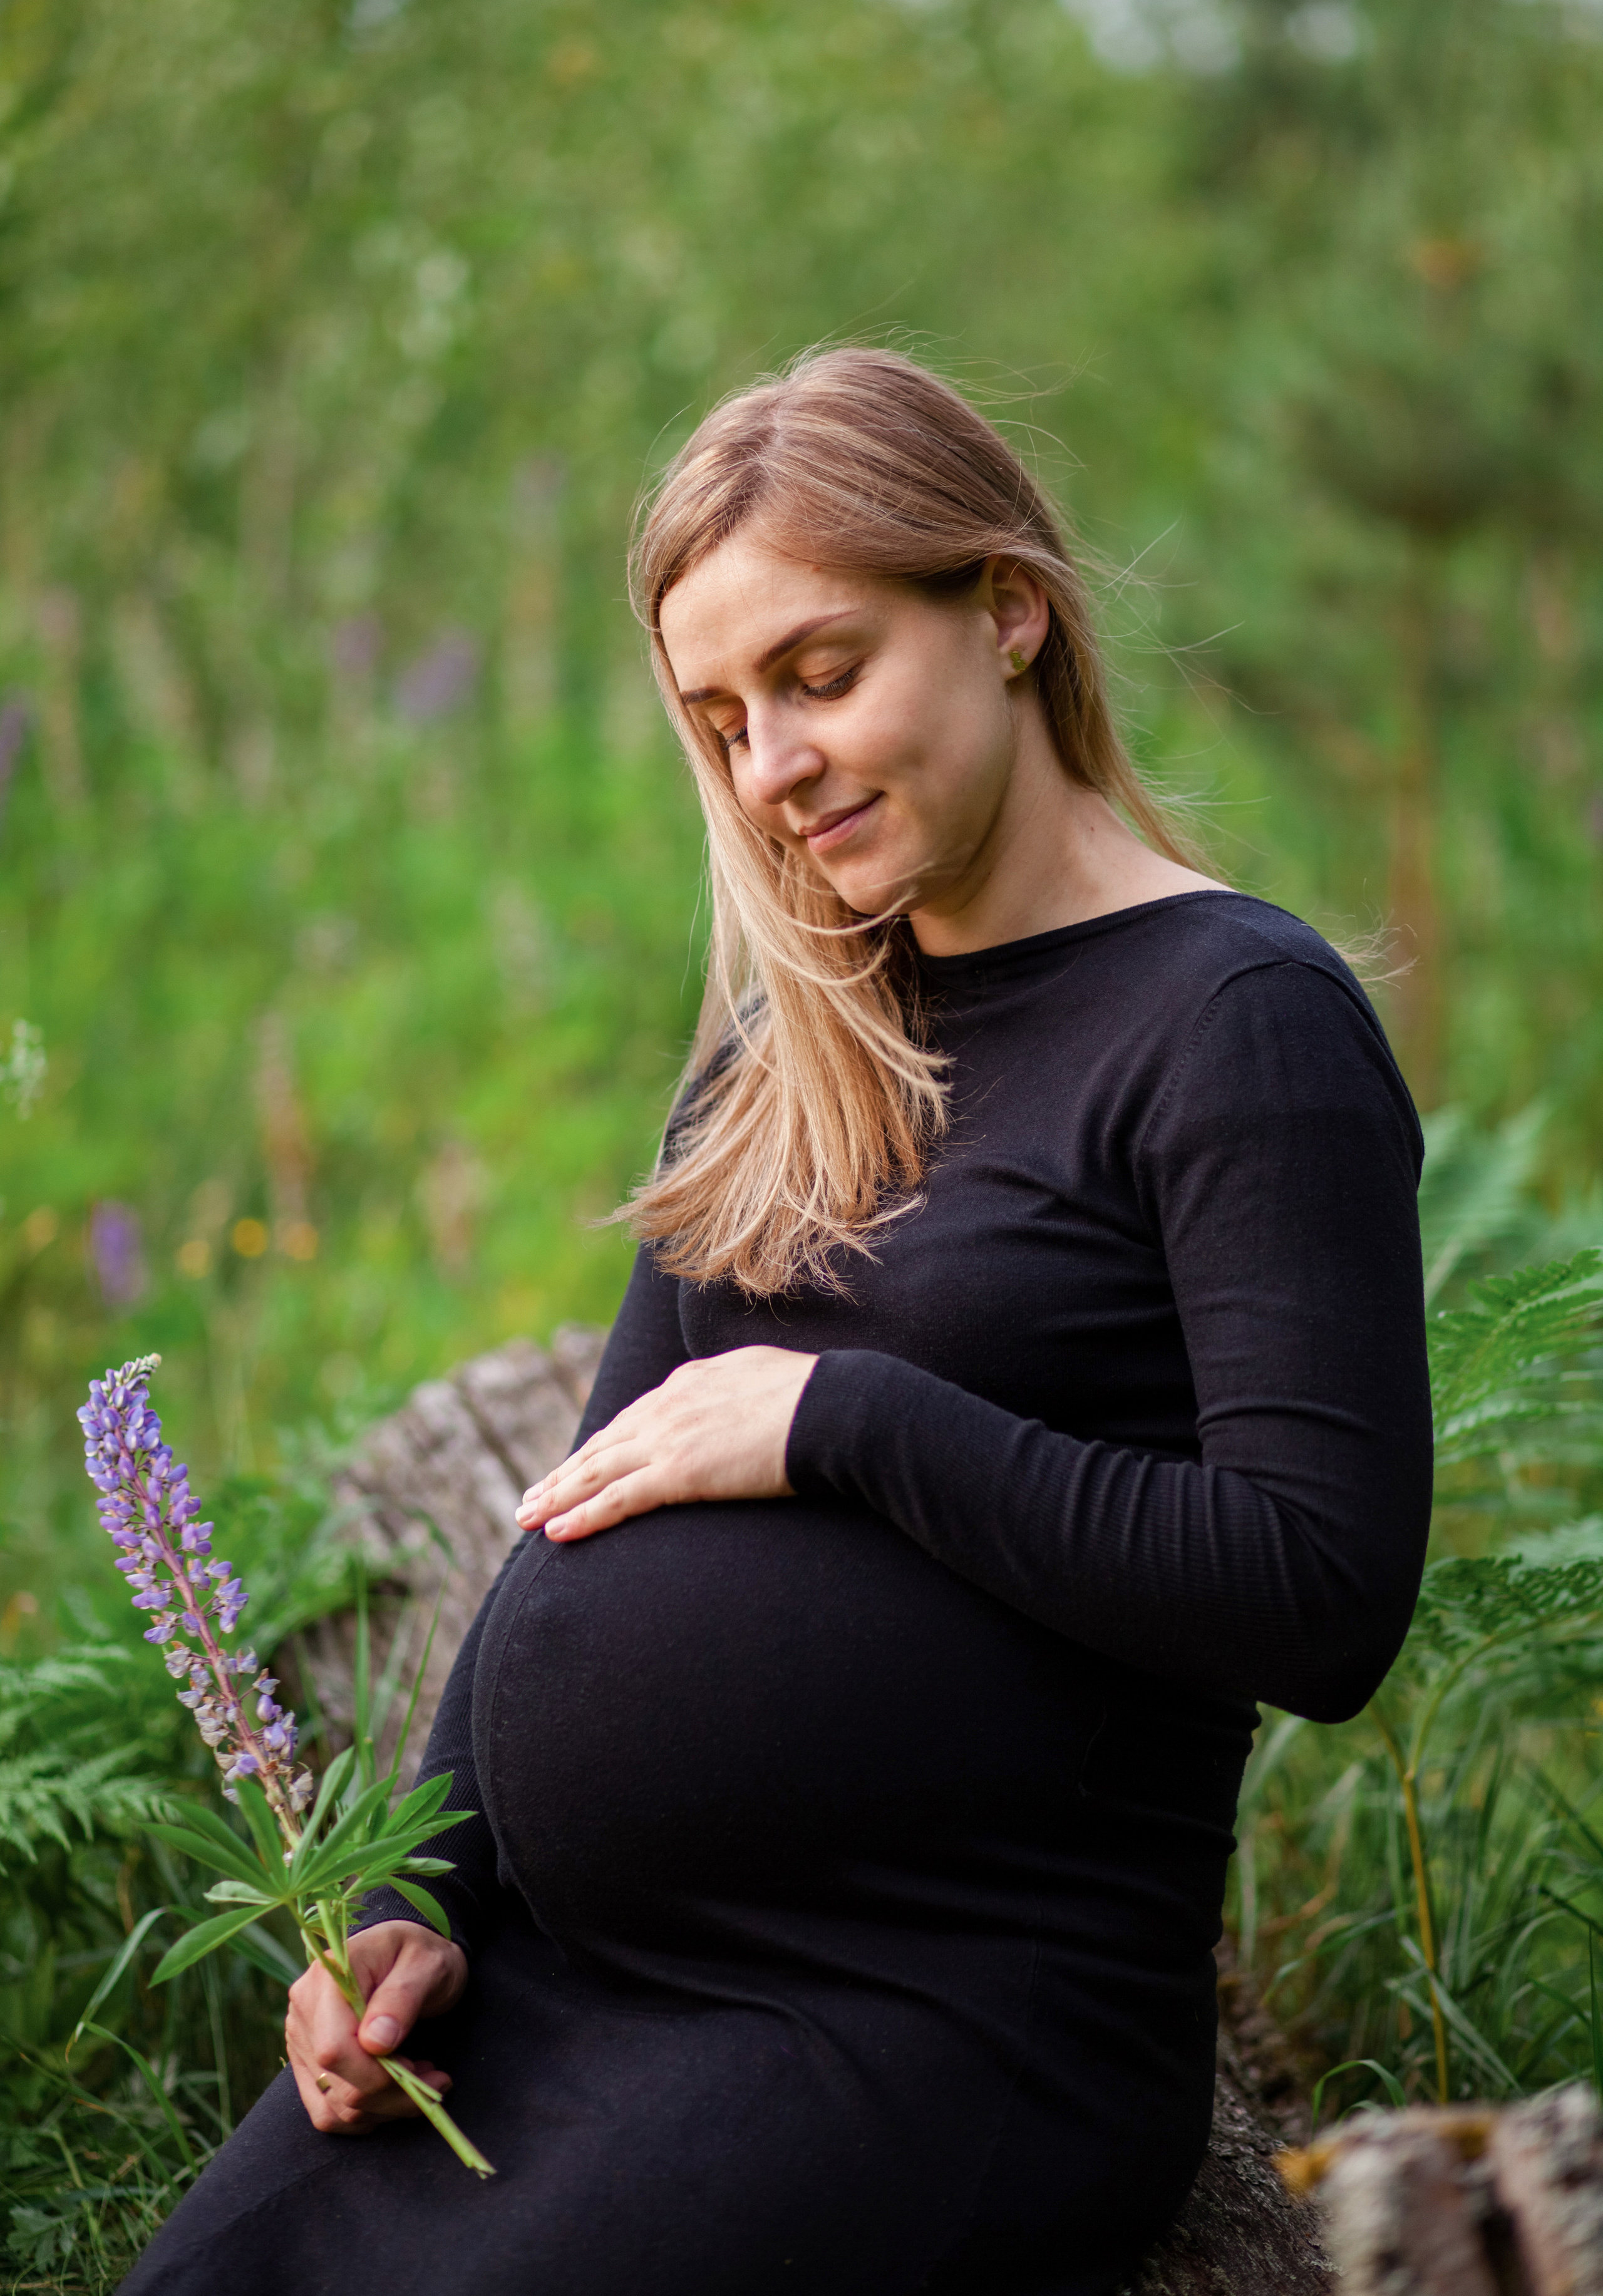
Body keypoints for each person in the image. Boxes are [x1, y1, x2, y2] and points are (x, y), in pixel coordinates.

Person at [121, 347, 1432, 2296]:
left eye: (820, 677)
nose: (772, 767)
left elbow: (1320, 1598)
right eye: (720, 717)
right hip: (567, 1999)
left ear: (1008, 612)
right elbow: (580, 1506)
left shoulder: (1233, 1021)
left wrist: (847, 1424)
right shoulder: (791, 1032)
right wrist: (420, 1910)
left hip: (936, 2023)